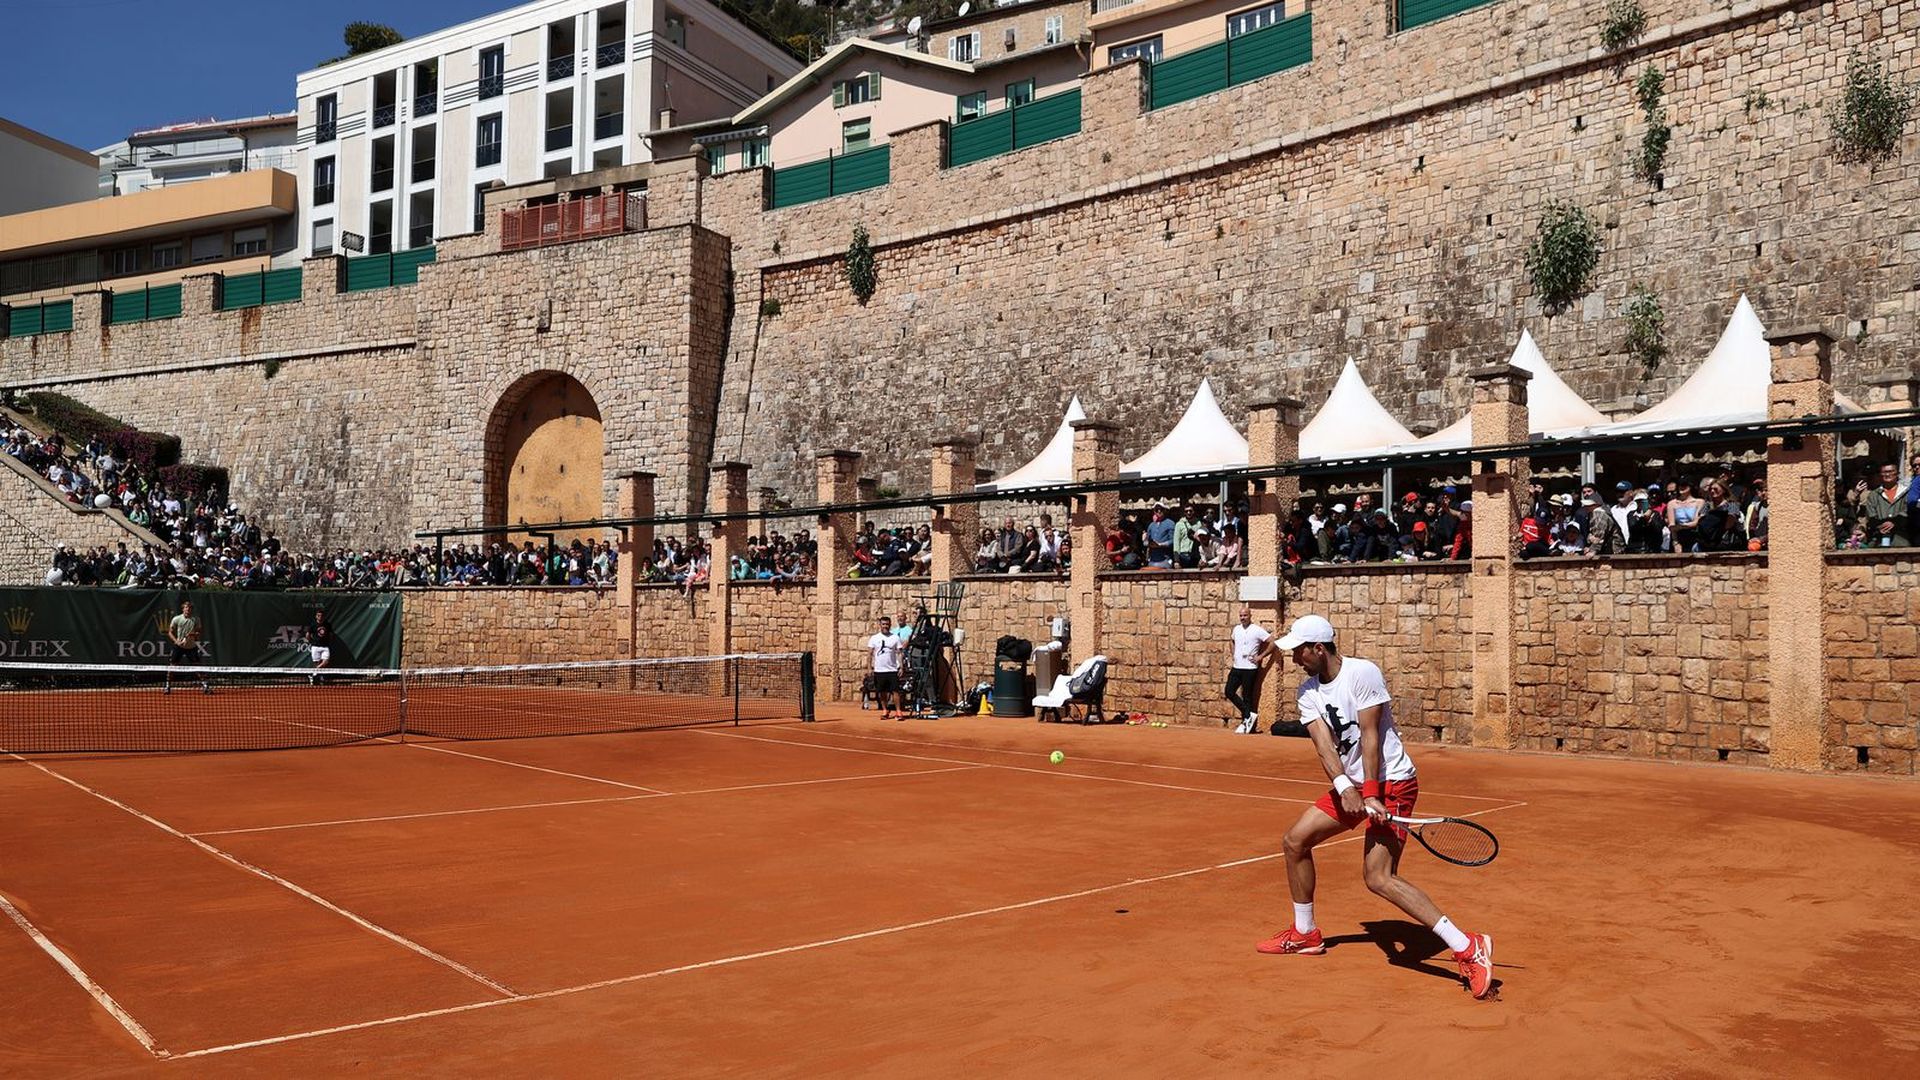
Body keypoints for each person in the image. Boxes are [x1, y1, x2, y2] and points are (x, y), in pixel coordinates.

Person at [1256, 614, 1496, 1000]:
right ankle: (1305, 934)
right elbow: (1323, 745)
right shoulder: (1307, 692)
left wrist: (1370, 793)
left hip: (1393, 781)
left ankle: (1468, 946)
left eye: (1299, 650)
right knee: (1295, 841)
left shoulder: (1362, 673)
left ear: (1319, 648)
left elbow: (1370, 735)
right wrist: (1343, 787)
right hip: (1352, 785)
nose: (1295, 658)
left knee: (1378, 877)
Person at [1225, 607, 1274, 733]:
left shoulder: (1257, 630)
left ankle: (1247, 725)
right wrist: (1234, 653)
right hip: (1237, 666)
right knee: (1229, 691)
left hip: (1250, 668)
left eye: (1245, 615)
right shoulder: (1236, 629)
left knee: (1247, 696)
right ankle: (1248, 715)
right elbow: (1232, 640)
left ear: (1250, 616)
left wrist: (1260, 657)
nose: (1243, 618)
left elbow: (1272, 642)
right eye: (1241, 615)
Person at [164, 598, 210, 695]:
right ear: (183, 609)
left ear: (191, 610)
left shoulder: (196, 619)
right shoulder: (177, 619)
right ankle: (167, 686)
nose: (187, 610)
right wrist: (176, 641)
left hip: (191, 647)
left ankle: (205, 686)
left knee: (198, 667)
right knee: (172, 667)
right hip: (179, 646)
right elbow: (170, 632)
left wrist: (193, 635)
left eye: (189, 609)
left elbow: (199, 632)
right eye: (186, 608)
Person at [867, 615, 905, 718]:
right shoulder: (874, 638)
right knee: (882, 691)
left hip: (892, 669)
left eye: (887, 624)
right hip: (879, 669)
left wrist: (901, 667)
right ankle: (885, 709)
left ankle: (898, 711)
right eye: (883, 624)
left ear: (890, 625)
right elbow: (870, 653)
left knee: (895, 691)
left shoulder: (895, 638)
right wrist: (869, 668)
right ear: (880, 625)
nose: (885, 626)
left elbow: (899, 653)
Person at [305, 608, 335, 685]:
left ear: (323, 616)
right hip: (315, 646)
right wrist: (311, 641)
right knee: (317, 663)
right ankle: (319, 677)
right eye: (318, 616)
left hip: (325, 646)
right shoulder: (312, 625)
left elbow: (331, 634)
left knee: (326, 662)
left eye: (321, 616)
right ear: (316, 616)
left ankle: (313, 674)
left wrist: (329, 641)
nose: (320, 617)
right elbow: (308, 635)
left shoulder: (327, 625)